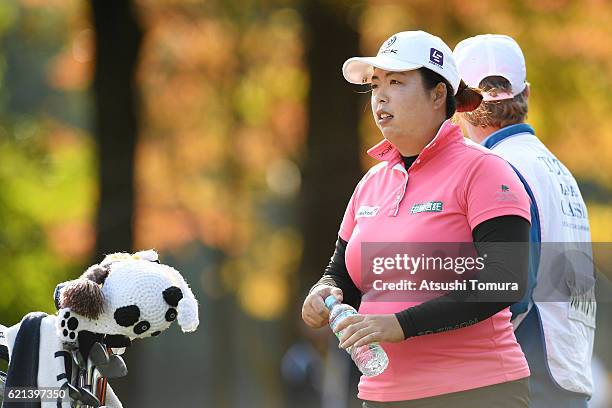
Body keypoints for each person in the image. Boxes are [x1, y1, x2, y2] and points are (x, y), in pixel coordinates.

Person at [302, 30, 533, 408]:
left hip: (477, 392)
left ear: (438, 94)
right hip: (382, 395)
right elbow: (341, 273)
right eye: (375, 84)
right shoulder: (371, 184)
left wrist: (401, 325)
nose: (380, 95)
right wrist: (324, 292)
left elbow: (505, 280)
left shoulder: (486, 171)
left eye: (396, 82)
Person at [453, 34, 595, 408]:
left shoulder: (498, 170)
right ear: (526, 94)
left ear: (457, 103)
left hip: (525, 374)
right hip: (566, 368)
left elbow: (508, 289)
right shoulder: (557, 169)